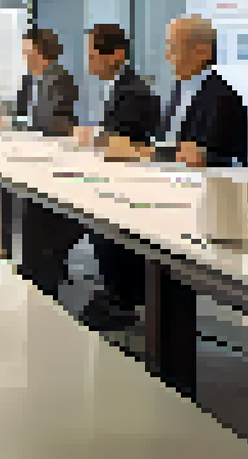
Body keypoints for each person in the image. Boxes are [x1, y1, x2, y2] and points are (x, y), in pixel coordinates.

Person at [77, 24, 162, 331]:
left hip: (132, 182)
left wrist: (95, 138)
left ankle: (122, 298)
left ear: (116, 55)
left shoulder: (133, 92)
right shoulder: (120, 87)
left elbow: (122, 142)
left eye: (92, 56)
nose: (89, 64)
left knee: (105, 224)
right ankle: (115, 291)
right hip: (121, 177)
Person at [136, 15, 248, 168]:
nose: (167, 55)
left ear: (202, 52)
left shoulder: (224, 99)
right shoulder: (178, 90)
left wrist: (203, 157)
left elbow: (232, 160)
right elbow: (165, 142)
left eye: (174, 48)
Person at [14, 27, 79, 137]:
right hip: (29, 138)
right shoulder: (28, 79)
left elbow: (50, 120)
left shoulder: (61, 79)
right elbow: (20, 112)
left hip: (53, 139)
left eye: (29, 52)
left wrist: (24, 127)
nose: (25, 57)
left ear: (43, 53)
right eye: (24, 52)